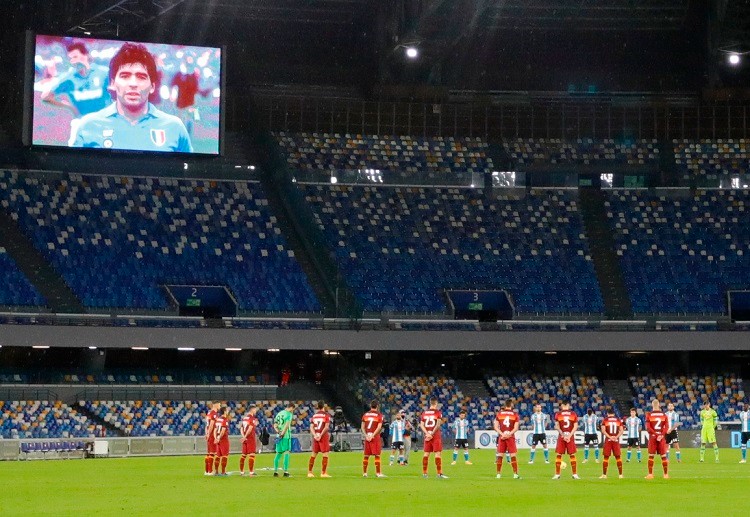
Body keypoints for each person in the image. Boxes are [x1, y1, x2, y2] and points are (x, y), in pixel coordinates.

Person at [73, 42, 192, 152]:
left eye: (141, 77)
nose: (133, 84)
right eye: (125, 76)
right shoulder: (88, 125)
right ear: (113, 83)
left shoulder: (174, 127)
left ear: (152, 86)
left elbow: (188, 173)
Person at [41, 42, 110, 145]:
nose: (74, 61)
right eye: (71, 59)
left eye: (75, 57)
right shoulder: (69, 78)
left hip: (104, 123)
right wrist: (69, 107)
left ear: (86, 55)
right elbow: (45, 97)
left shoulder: (103, 73)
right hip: (81, 123)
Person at [420, 397, 448, 479]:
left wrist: (427, 433)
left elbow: (421, 425)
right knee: (437, 453)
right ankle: (439, 474)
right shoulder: (438, 412)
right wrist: (431, 434)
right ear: (436, 404)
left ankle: (425, 473)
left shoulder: (424, 413)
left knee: (426, 453)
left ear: (430, 403)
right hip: (435, 435)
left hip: (427, 434)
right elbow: (438, 424)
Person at [552, 400, 580, 480]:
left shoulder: (558, 414)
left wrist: (563, 435)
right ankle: (574, 474)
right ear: (568, 405)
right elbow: (575, 426)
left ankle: (557, 474)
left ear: (562, 406)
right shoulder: (573, 414)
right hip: (570, 437)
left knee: (559, 455)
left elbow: (557, 426)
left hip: (561, 436)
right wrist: (569, 436)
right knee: (572, 455)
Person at [494, 400, 521, 479]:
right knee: (513, 455)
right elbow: (516, 428)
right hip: (510, 437)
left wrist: (502, 434)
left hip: (502, 437)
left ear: (505, 405)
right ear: (511, 405)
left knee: (500, 455)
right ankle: (515, 474)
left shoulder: (499, 414)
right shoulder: (515, 415)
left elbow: (495, 427)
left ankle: (498, 474)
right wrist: (509, 434)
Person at [645, 399, 669, 479]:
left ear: (652, 405)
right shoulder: (664, 415)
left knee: (651, 455)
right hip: (661, 437)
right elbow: (667, 427)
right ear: (659, 405)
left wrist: (655, 434)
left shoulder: (649, 415)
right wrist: (661, 435)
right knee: (663, 456)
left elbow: (648, 428)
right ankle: (665, 475)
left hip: (653, 437)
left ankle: (650, 474)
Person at [361, 400, 385, 478]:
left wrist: (366, 435)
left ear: (370, 405)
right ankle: (378, 473)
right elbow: (379, 427)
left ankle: (364, 473)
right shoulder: (379, 415)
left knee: (366, 455)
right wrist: (373, 435)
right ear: (377, 406)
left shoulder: (365, 415)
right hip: (375, 437)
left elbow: (362, 427)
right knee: (377, 455)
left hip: (367, 436)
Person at [308, 401, 331, 478]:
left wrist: (315, 435)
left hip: (316, 436)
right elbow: (326, 427)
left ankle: (310, 472)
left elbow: (311, 427)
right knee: (325, 454)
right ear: (324, 406)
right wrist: (320, 435)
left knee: (314, 454)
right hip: (323, 436)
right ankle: (323, 473)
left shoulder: (314, 416)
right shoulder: (326, 415)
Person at [599, 409, 624, 479]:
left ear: (607, 414)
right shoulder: (618, 420)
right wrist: (616, 437)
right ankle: (620, 475)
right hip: (616, 440)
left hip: (608, 440)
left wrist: (610, 437)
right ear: (614, 414)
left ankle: (604, 475)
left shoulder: (605, 420)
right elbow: (621, 430)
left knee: (606, 457)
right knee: (618, 457)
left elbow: (603, 431)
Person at [273, 402, 295, 477]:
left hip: (278, 435)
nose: (292, 411)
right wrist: (282, 434)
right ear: (291, 407)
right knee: (286, 452)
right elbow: (286, 425)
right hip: (285, 436)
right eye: (293, 409)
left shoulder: (279, 414)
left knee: (278, 453)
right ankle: (285, 472)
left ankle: (275, 471)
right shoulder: (289, 414)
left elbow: (275, 425)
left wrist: (278, 432)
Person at [239, 404, 259, 476]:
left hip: (245, 438)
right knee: (252, 455)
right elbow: (250, 428)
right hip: (250, 438)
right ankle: (251, 472)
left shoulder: (245, 418)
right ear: (252, 409)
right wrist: (245, 436)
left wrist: (243, 436)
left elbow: (241, 428)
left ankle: (241, 472)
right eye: (255, 409)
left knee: (243, 455)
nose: (256, 410)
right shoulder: (252, 418)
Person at [213, 405, 231, 477]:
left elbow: (215, 430)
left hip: (218, 440)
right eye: (227, 410)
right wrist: (219, 438)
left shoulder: (218, 420)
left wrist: (216, 438)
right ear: (224, 411)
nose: (228, 411)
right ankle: (223, 472)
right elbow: (223, 431)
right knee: (224, 456)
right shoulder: (224, 420)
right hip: (223, 440)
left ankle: (216, 471)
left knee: (217, 456)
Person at [203, 401, 220, 475]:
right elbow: (211, 425)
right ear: (215, 405)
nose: (219, 406)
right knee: (212, 453)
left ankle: (206, 471)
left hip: (209, 434)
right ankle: (210, 471)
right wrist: (209, 434)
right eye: (219, 405)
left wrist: (206, 433)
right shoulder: (214, 414)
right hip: (212, 434)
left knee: (209, 453)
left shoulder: (209, 413)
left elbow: (206, 425)